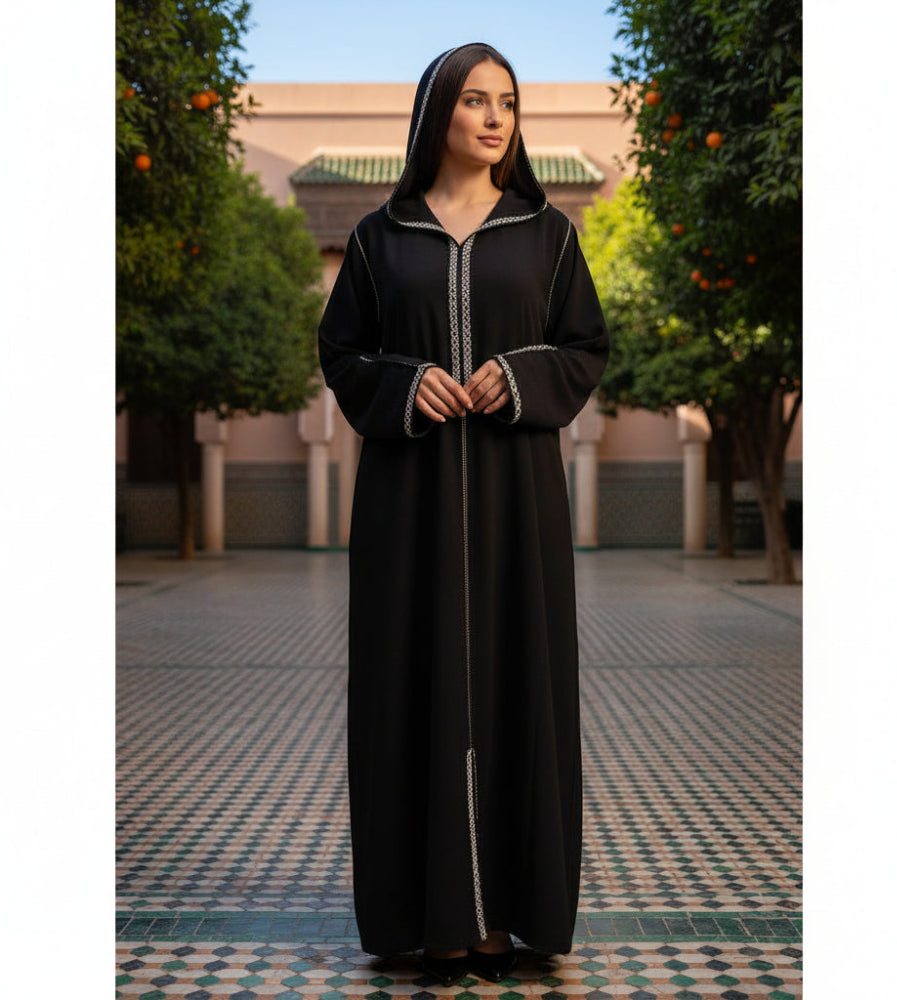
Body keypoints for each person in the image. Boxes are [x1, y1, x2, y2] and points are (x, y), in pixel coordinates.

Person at [318, 42, 609, 986]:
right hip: (407, 511)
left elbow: (584, 346)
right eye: (475, 101)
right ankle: (431, 921)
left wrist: (516, 375)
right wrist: (409, 386)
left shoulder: (548, 233)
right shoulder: (379, 237)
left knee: (515, 684)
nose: (494, 118)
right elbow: (344, 354)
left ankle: (505, 921)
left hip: (517, 507)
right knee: (414, 688)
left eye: (509, 104)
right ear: (437, 110)